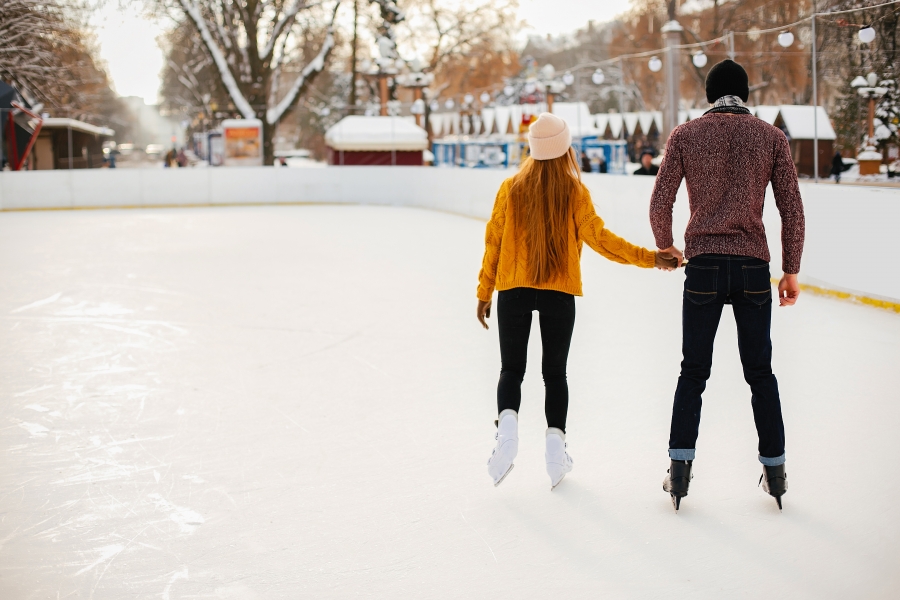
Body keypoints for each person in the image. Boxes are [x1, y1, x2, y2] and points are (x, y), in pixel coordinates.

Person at [477, 113, 677, 490]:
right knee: (555, 375)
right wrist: (651, 257)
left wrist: (484, 292)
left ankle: (507, 437)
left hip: (512, 289)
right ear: (565, 148)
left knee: (511, 370)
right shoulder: (574, 192)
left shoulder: (510, 188)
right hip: (559, 293)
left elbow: (493, 244)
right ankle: (555, 455)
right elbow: (602, 240)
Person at [649, 59, 805, 511]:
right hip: (754, 269)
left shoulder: (686, 135)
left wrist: (667, 246)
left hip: (703, 268)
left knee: (693, 371)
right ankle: (775, 472)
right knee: (761, 373)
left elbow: (662, 199)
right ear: (746, 94)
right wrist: (790, 269)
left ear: (709, 94)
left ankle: (679, 472)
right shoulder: (772, 137)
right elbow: (791, 209)